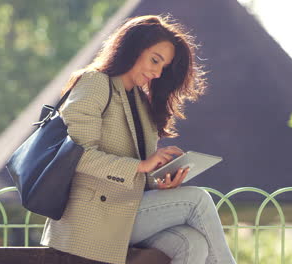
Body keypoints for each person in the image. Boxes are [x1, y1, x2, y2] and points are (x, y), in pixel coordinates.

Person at [40, 15, 237, 264]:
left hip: (125, 210)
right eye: (155, 60)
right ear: (132, 48)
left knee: (192, 243)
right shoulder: (94, 83)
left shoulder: (140, 102)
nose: (156, 73)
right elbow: (77, 157)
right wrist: (141, 166)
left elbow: (135, 174)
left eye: (162, 67)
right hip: (91, 216)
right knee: (198, 199)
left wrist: (158, 183)